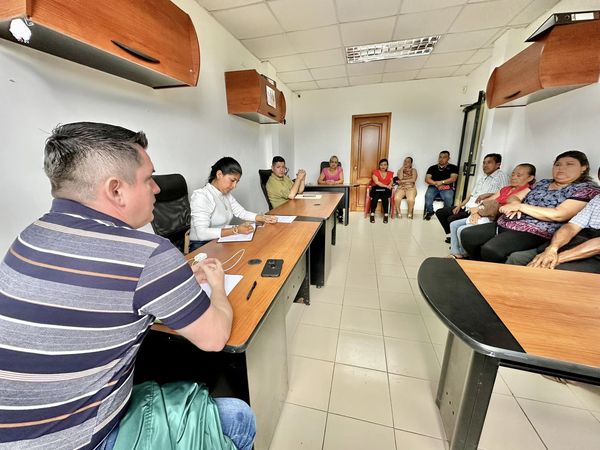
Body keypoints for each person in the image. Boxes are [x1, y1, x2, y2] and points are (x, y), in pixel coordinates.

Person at [0, 122, 255, 450]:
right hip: (81, 440)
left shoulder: (27, 238)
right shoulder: (147, 253)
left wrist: (175, 279)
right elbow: (215, 337)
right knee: (237, 417)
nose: (157, 189)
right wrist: (217, 286)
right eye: (149, 178)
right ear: (116, 190)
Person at [461, 150, 600, 263]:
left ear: (583, 168)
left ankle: (491, 277)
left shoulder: (587, 189)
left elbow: (559, 214)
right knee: (468, 235)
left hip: (538, 231)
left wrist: (521, 207)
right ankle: (475, 266)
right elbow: (514, 197)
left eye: (569, 164)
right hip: (508, 222)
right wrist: (515, 203)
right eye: (557, 164)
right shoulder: (543, 183)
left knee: (492, 249)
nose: (561, 168)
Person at [190, 157, 277, 252]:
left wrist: (263, 218)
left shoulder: (225, 194)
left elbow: (241, 212)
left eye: (237, 182)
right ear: (219, 174)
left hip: (220, 241)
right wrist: (236, 230)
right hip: (202, 246)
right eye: (232, 180)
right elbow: (202, 234)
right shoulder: (201, 196)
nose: (234, 186)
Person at [449, 163, 535, 258]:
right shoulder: (506, 189)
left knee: (461, 229)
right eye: (513, 174)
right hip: (484, 213)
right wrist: (477, 212)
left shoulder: (527, 191)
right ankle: (455, 252)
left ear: (530, 178)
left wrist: (480, 212)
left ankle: (464, 255)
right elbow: (487, 201)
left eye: (519, 175)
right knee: (454, 224)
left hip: (494, 217)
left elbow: (504, 208)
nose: (514, 177)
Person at [525, 167, 600, 272]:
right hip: (582, 241)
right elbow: (572, 226)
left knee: (548, 269)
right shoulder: (597, 199)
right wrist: (552, 249)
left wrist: (558, 258)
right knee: (518, 258)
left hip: (594, 253)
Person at [436, 153, 509, 241]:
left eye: (489, 162)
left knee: (451, 219)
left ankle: (456, 236)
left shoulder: (501, 176)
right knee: (440, 212)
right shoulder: (483, 177)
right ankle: (454, 235)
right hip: (468, 206)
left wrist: (488, 194)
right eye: (484, 163)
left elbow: (504, 194)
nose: (485, 165)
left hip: (477, 208)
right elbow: (471, 195)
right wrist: (460, 205)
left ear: (498, 164)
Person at [423, 151, 459, 220]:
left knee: (448, 197)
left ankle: (444, 213)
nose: (441, 159)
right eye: (440, 157)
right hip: (433, 186)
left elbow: (453, 179)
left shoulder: (453, 167)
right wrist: (436, 184)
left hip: (447, 187)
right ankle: (430, 212)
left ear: (448, 158)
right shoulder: (432, 168)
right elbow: (427, 179)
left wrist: (442, 182)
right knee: (428, 196)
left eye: (444, 157)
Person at [318, 155, 345, 223]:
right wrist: (325, 182)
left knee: (341, 197)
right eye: (332, 162)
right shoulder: (325, 170)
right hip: (327, 190)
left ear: (337, 163)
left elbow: (342, 180)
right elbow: (319, 181)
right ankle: (325, 215)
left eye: (335, 162)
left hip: (337, 189)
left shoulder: (339, 169)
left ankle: (340, 215)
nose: (334, 164)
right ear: (329, 163)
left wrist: (334, 182)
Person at [369, 158, 394, 223]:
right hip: (376, 188)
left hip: (385, 190)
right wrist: (387, 186)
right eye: (381, 165)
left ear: (387, 166)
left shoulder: (390, 173)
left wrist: (390, 185)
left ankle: (386, 214)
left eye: (385, 165)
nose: (383, 166)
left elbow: (391, 181)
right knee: (375, 196)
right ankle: (372, 214)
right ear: (379, 165)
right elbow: (377, 182)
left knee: (385, 197)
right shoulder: (375, 172)